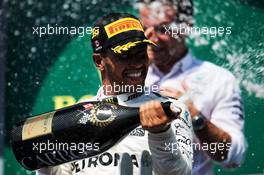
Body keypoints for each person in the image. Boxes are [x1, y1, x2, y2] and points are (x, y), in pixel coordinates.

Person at [37, 13, 193, 175]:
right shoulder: (72, 116)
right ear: (99, 61)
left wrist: (161, 133)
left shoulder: (172, 109)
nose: (137, 63)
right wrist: (43, 161)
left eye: (141, 53)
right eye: (125, 55)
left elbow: (181, 173)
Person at [136, 0, 247, 174]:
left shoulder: (219, 79)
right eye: (144, 29)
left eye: (162, 29)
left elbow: (234, 157)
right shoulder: (129, 74)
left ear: (186, 27)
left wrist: (193, 115)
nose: (151, 38)